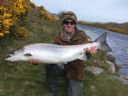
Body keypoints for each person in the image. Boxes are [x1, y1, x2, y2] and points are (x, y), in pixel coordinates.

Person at [29, 11, 96, 96]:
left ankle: (73, 83)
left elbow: (86, 56)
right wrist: (37, 60)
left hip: (75, 70)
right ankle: (51, 92)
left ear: (74, 24)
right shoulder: (57, 38)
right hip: (62, 66)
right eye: (66, 22)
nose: (69, 25)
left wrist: (90, 53)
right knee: (49, 65)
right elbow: (50, 55)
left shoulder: (82, 35)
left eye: (72, 22)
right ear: (62, 24)